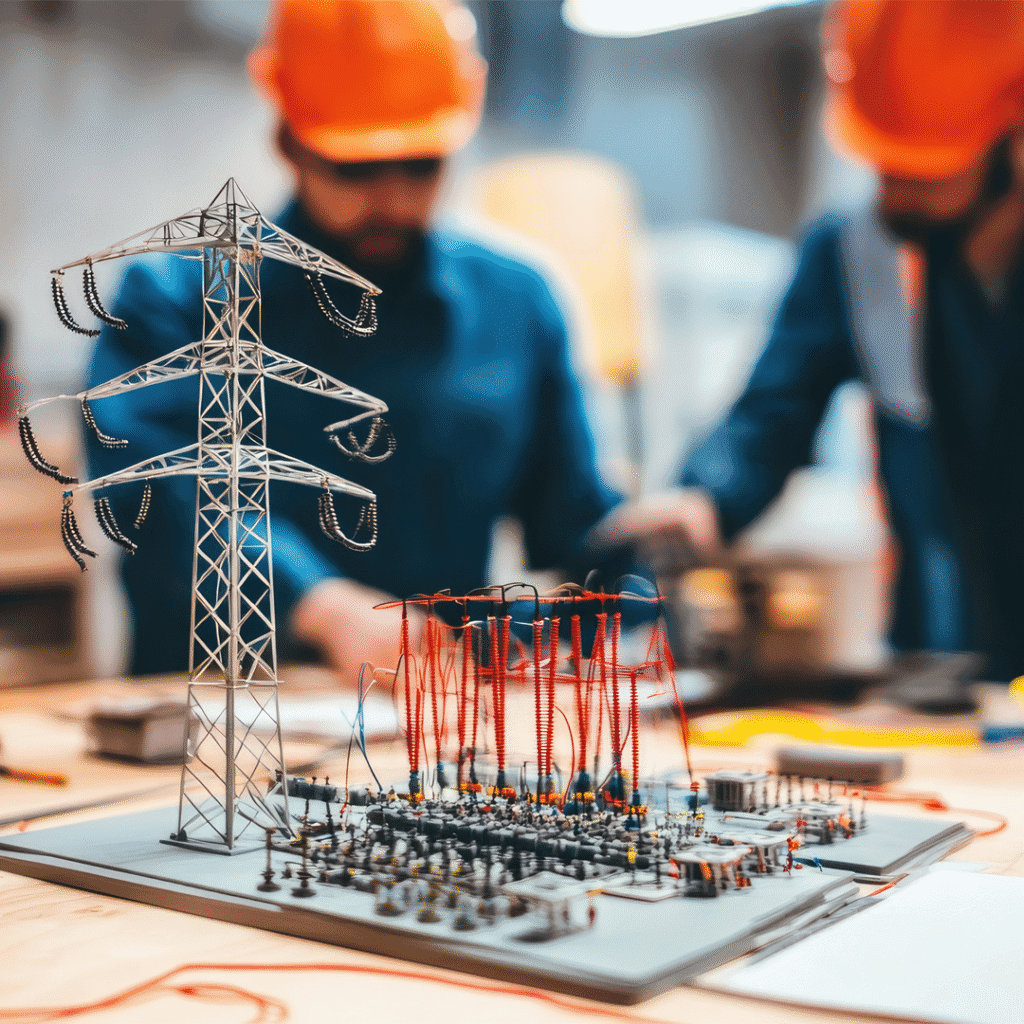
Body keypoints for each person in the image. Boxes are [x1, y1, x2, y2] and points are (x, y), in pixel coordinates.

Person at [86, 0, 619, 681]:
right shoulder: (173, 300)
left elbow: (574, 522)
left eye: (421, 165)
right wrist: (322, 605)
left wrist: (638, 595)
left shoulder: (516, 304)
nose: (391, 197)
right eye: (355, 170)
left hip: (427, 729)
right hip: (215, 722)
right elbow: (156, 491)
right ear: (288, 141)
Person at [601, 0, 1024, 682]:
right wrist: (709, 496)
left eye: (928, 170)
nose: (896, 195)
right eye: (882, 163)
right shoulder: (859, 255)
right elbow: (774, 407)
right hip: (940, 653)